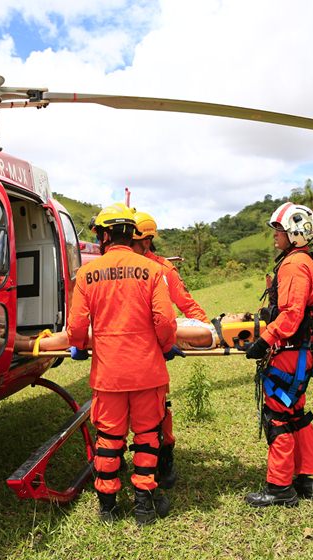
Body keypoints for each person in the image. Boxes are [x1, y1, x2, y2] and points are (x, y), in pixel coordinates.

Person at [66, 203, 178, 525]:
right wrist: (166, 346)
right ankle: (144, 504)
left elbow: (76, 325)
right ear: (131, 234)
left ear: (102, 235)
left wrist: (77, 346)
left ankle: (108, 507)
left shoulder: (87, 273)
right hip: (148, 373)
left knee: (109, 440)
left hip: (108, 376)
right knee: (146, 437)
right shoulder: (153, 270)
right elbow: (165, 320)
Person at [244, 201, 313, 507]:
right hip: (303, 353)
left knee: (278, 417)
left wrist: (263, 342)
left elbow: (291, 315)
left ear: (295, 233)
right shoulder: (305, 261)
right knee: (297, 415)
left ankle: (280, 488)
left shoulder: (294, 265)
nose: (274, 236)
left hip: (290, 353)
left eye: (279, 230)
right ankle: (308, 480)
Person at [130, 210, 209, 490]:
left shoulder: (163, 270)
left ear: (145, 241)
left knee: (158, 410)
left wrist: (208, 331)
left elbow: (186, 304)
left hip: (151, 353)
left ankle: (163, 460)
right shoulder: (117, 267)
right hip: (126, 351)